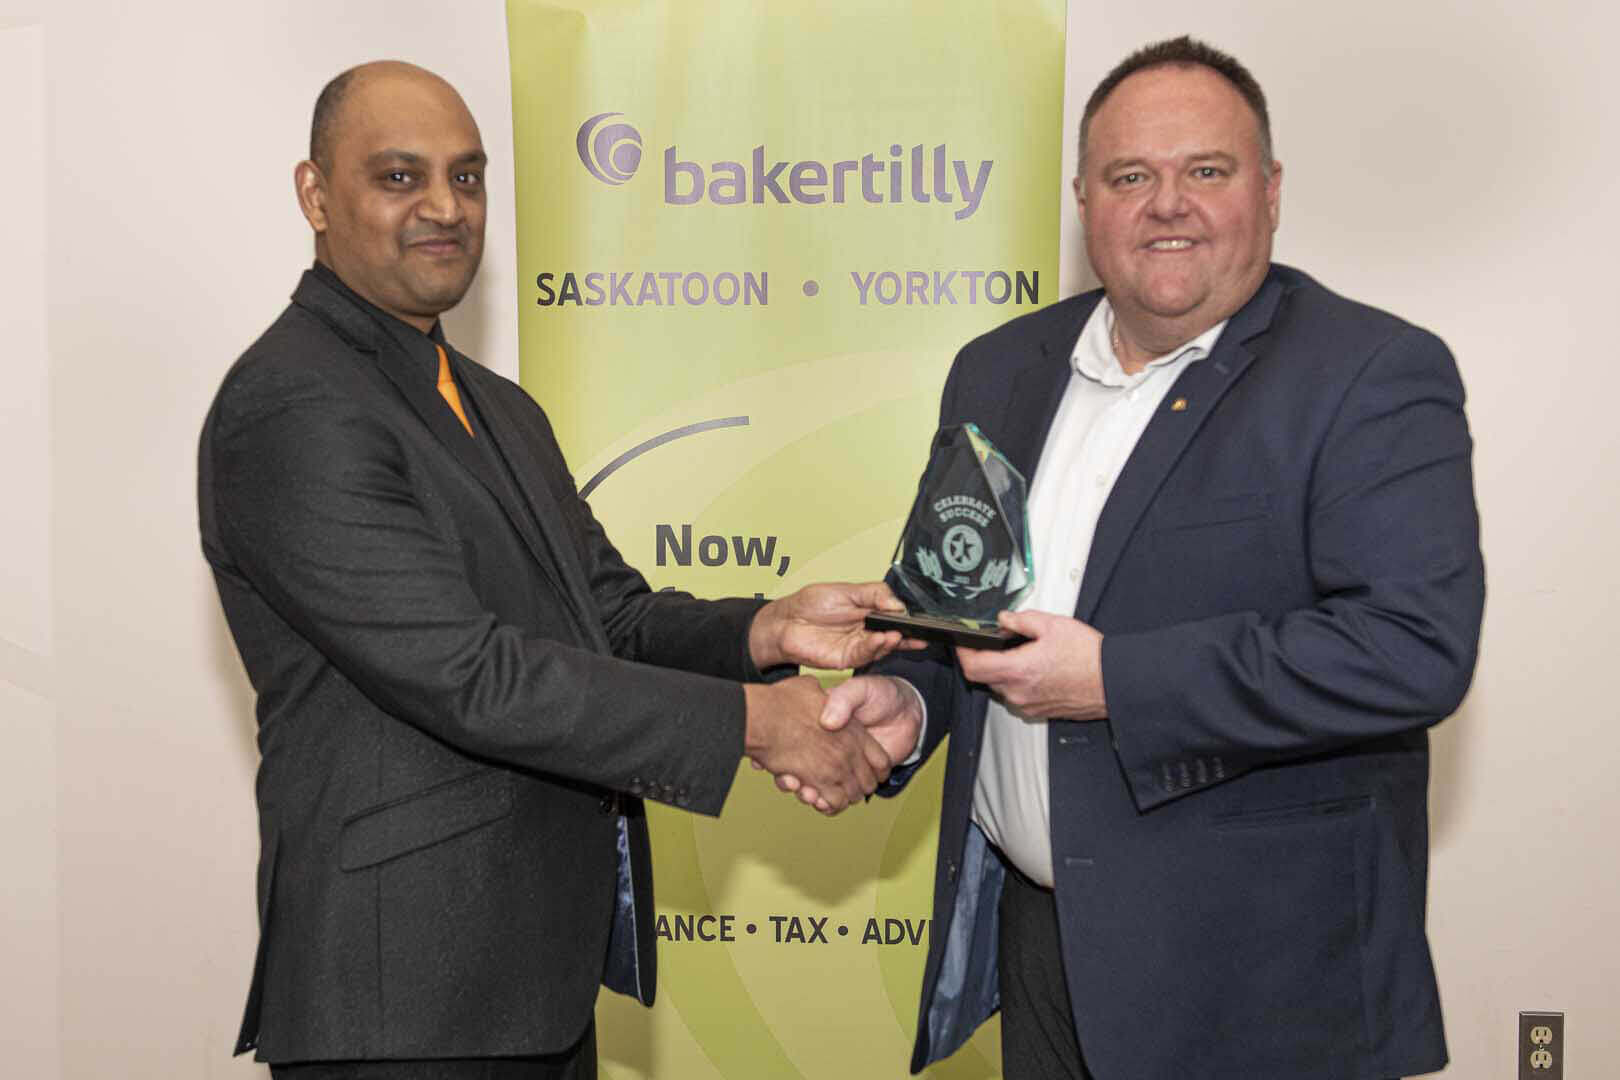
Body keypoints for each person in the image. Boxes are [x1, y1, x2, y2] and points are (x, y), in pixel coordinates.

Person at [199, 60, 910, 1078]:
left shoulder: (496, 405)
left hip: (532, 983)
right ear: (315, 195)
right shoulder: (291, 406)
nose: (446, 207)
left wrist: (767, 630)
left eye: (468, 176)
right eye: (400, 177)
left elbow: (606, 615)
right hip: (404, 1004)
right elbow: (472, 676)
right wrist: (758, 723)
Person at [818, 36, 1484, 1080]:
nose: (1167, 203)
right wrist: (912, 699)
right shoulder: (999, 369)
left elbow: (1412, 651)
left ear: (1270, 191)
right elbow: (963, 610)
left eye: (1205, 170)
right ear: (1085, 200)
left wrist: (1113, 681)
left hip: (1259, 983)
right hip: (1040, 949)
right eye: (1131, 176)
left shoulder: (1370, 374)